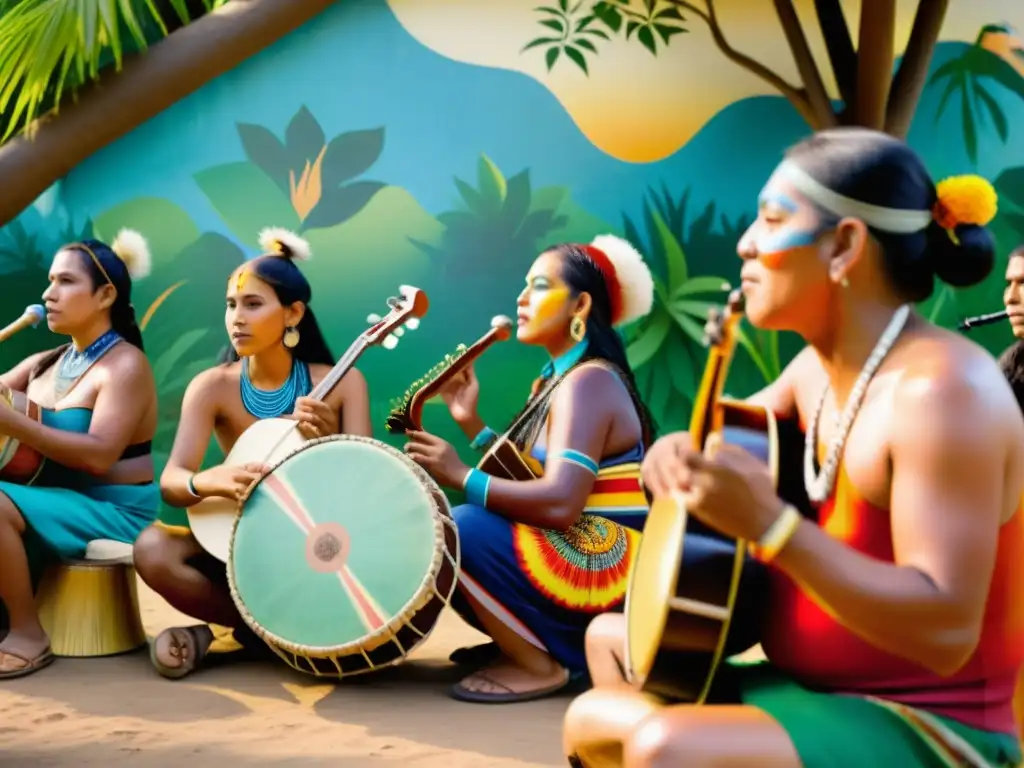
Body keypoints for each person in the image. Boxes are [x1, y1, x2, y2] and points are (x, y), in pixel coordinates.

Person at [562, 128, 1024, 767]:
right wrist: (672, 453)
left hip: (929, 723)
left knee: (664, 747)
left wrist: (774, 528)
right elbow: (722, 442)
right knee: (598, 693)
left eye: (772, 220)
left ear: (844, 246)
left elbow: (946, 633)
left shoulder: (943, 393)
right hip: (819, 688)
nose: (745, 242)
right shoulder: (816, 370)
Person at [402, 235, 656, 703]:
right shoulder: (553, 380)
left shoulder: (588, 382)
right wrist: (472, 424)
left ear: (581, 304)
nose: (520, 298)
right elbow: (530, 480)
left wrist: (459, 474)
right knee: (454, 529)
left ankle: (538, 662)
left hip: (607, 561)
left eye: (539, 286)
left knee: (461, 527)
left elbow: (559, 503)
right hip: (579, 544)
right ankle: (527, 640)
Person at [132, 227, 371, 679]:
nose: (237, 318)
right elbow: (172, 480)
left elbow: (367, 488)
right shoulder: (213, 387)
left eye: (253, 304)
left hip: (320, 552)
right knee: (153, 548)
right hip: (241, 550)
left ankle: (225, 637)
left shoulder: (341, 384)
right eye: (231, 305)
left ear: (293, 313)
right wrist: (207, 481)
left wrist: (330, 441)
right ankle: (281, 634)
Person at [0, 230, 158, 679]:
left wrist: (13, 423)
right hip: (56, 499)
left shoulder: (125, 366)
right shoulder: (44, 363)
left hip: (114, 509)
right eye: (50, 281)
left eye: (66, 282)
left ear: (106, 294)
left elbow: (99, 457)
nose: (49, 294)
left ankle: (29, 634)